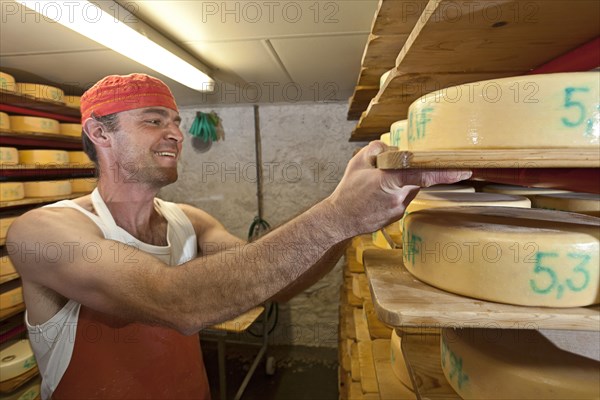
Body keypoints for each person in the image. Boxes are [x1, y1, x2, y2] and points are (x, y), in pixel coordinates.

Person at [6, 73, 470, 399]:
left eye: (175, 122)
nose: (174, 134)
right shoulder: (44, 231)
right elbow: (175, 301)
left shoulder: (188, 220)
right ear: (98, 133)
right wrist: (336, 215)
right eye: (153, 121)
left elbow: (277, 282)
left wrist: (357, 219)